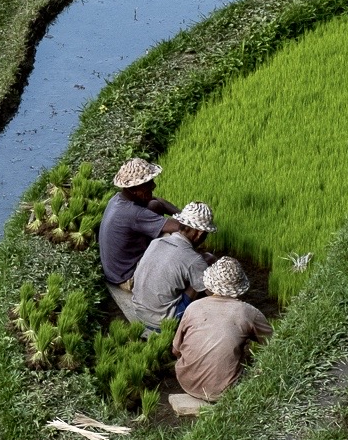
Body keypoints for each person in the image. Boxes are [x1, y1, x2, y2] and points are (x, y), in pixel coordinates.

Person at [171, 256, 271, 402]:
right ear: (240, 288)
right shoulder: (248, 312)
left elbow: (175, 350)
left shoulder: (193, 307)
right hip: (225, 391)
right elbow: (273, 344)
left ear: (210, 285)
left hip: (187, 382)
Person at [98, 157, 180, 321]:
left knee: (154, 206)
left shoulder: (118, 199)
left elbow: (157, 201)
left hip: (117, 269)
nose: (153, 186)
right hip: (128, 277)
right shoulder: (132, 213)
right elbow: (181, 228)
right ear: (135, 189)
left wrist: (182, 214)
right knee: (176, 242)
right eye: (148, 184)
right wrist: (194, 222)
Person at [130, 201, 215, 331]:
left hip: (139, 311)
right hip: (161, 322)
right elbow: (214, 294)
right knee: (205, 266)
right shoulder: (194, 260)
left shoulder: (156, 242)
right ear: (199, 233)